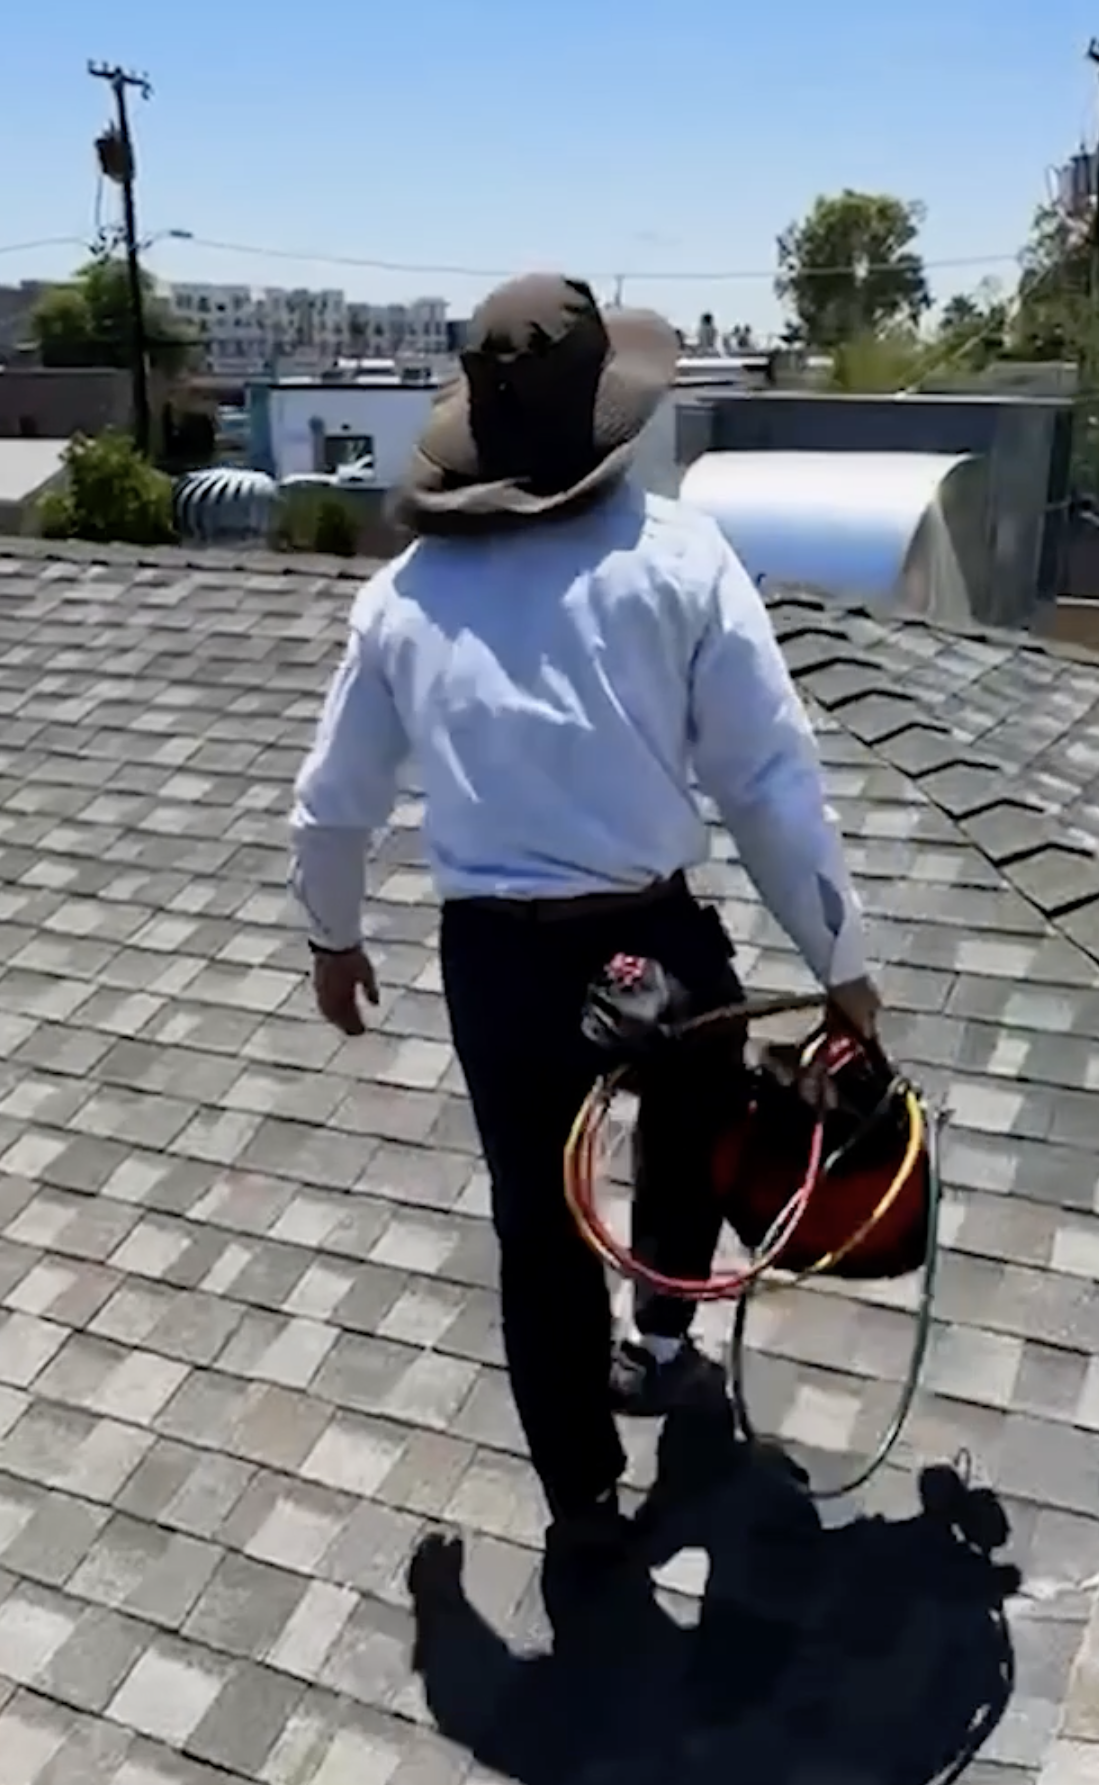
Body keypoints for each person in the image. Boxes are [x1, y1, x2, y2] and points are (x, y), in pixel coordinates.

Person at [289, 273, 879, 1575]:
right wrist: (842, 967)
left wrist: (333, 939)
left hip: (500, 962)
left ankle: (581, 1496)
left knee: (538, 1227)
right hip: (651, 932)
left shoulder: (405, 597)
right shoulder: (680, 560)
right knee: (694, 1116)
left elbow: (332, 808)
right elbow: (767, 782)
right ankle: (661, 1342)